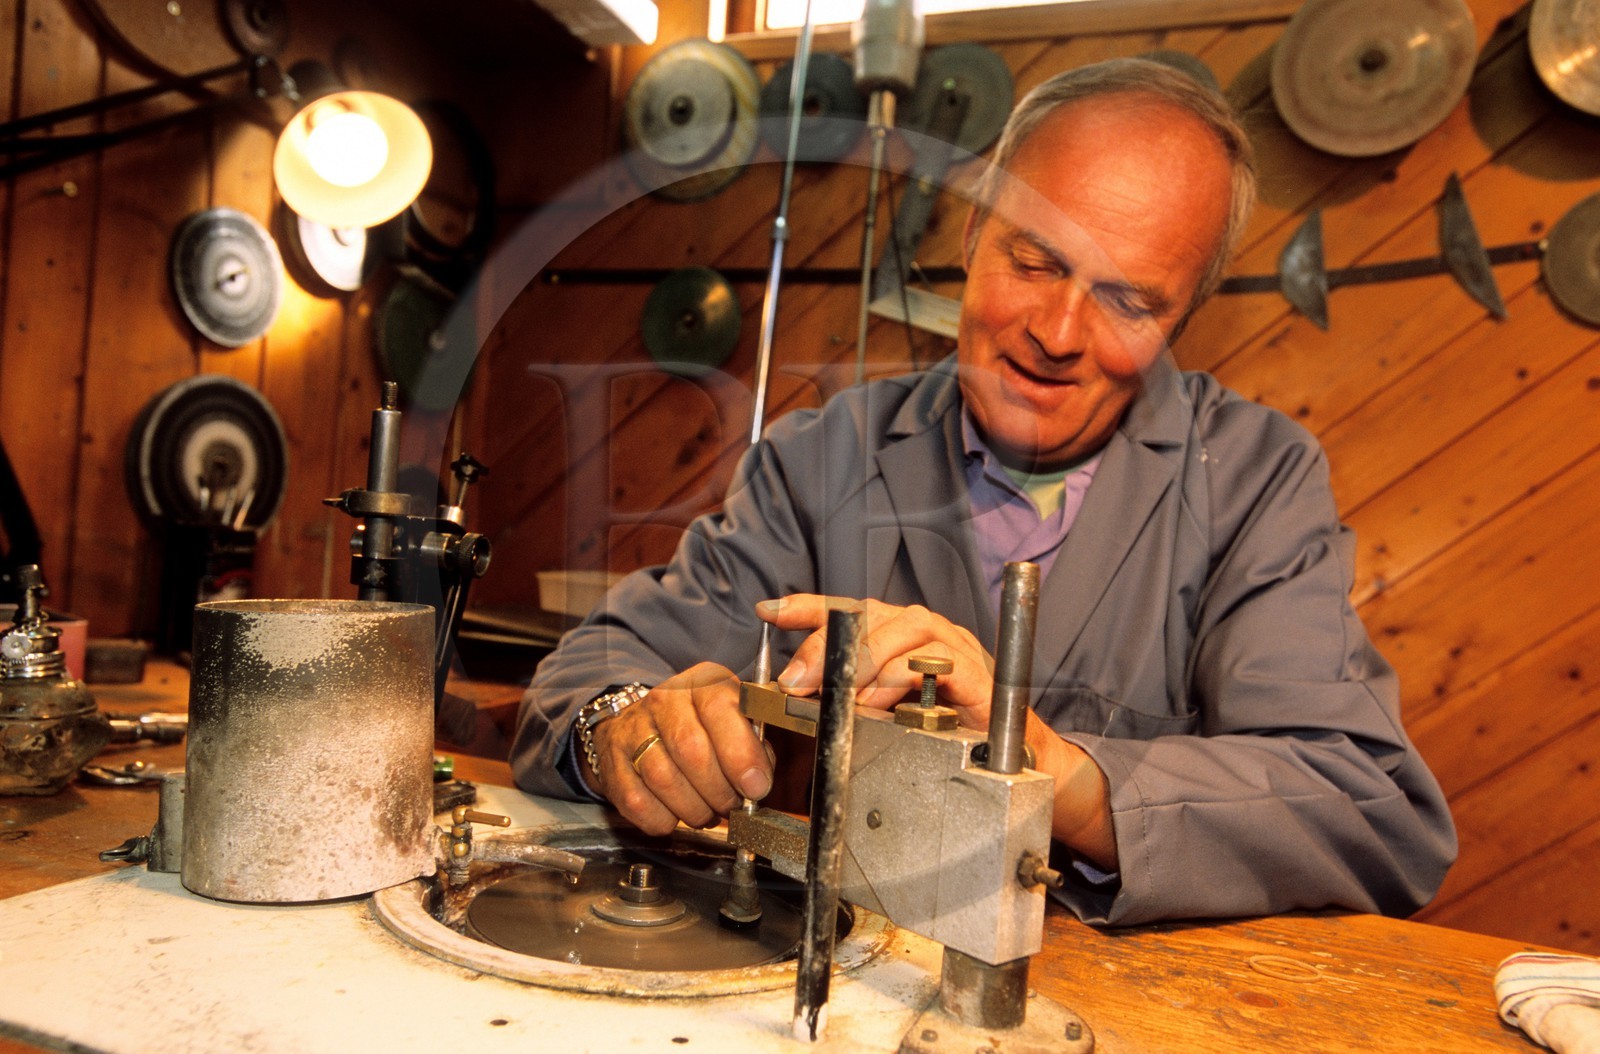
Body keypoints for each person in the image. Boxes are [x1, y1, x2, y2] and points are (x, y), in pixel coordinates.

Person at [511, 57, 1456, 925]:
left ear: (1185, 319)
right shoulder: (825, 455)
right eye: (1035, 261)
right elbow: (592, 675)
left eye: (1130, 301)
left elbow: (1372, 810)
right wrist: (627, 732)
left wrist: (1045, 765)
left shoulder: (1256, 478)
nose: (1058, 330)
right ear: (971, 235)